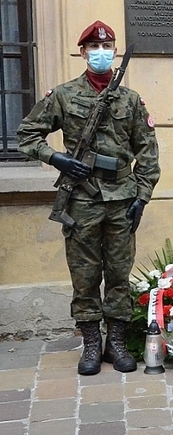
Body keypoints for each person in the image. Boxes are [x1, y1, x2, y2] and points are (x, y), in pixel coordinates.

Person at [17, 20, 160, 375]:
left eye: (107, 47)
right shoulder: (64, 96)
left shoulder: (130, 99)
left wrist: (141, 196)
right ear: (83, 53)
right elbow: (26, 135)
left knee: (118, 273)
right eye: (94, 48)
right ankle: (91, 343)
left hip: (121, 200)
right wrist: (58, 158)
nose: (101, 53)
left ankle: (116, 341)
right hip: (81, 199)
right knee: (84, 275)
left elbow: (148, 152)